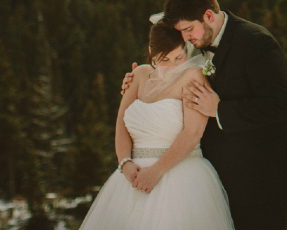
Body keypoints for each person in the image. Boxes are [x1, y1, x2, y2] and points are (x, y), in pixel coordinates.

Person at [122, 0, 287, 229]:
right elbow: (169, 67)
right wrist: (140, 82)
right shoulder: (193, 42)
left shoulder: (257, 43)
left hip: (260, 177)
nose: (186, 38)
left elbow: (278, 105)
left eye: (189, 30)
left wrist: (219, 109)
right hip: (214, 177)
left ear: (209, 16)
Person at [82, 21, 233, 229]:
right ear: (151, 52)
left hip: (180, 177)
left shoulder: (193, 76)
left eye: (179, 58)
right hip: (132, 178)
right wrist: (124, 163)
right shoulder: (139, 76)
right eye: (164, 60)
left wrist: (156, 172)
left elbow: (193, 131)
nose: (172, 66)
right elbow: (121, 123)